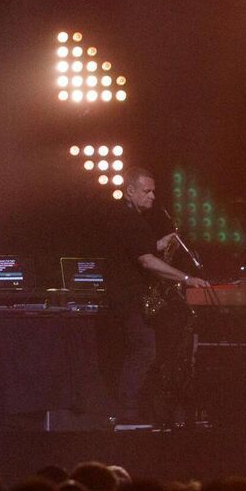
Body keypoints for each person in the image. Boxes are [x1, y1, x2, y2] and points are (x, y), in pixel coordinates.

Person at [105, 167, 209, 426]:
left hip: (132, 297)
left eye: (154, 191)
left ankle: (134, 410)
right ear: (130, 191)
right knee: (144, 350)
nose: (152, 196)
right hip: (128, 298)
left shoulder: (132, 219)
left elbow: (142, 249)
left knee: (144, 349)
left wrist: (161, 244)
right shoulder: (127, 218)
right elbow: (147, 262)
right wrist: (186, 278)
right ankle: (127, 412)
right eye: (146, 191)